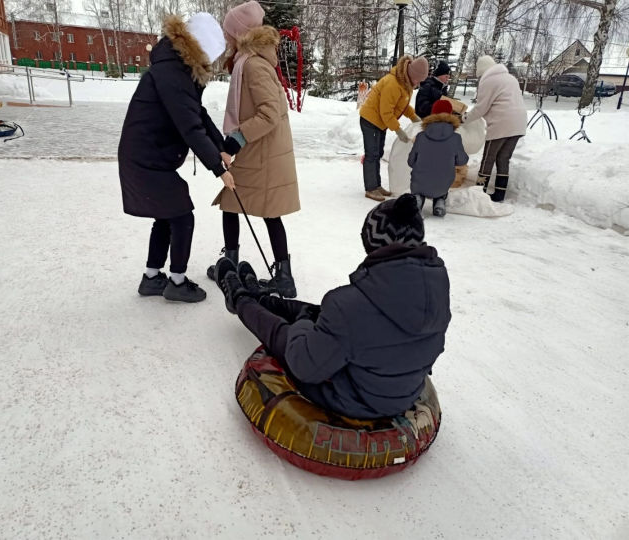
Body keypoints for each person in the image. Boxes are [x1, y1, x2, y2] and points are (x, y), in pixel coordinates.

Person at [214, 193, 451, 420]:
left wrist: (304, 326)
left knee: (296, 332)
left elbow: (304, 365)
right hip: (401, 389)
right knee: (328, 316)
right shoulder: (436, 287)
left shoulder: (349, 306)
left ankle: (240, 300)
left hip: (356, 399)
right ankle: (264, 300)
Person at [118, 13, 234, 303]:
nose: (210, 63)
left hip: (146, 155)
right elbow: (189, 126)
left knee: (167, 217)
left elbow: (198, 113)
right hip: (147, 159)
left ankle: (151, 277)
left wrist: (220, 147)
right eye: (210, 56)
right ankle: (177, 282)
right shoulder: (173, 72)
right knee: (182, 217)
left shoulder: (175, 68)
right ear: (200, 48)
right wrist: (218, 169)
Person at [207, 1, 301, 299]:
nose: (226, 38)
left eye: (229, 32)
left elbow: (270, 112)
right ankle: (240, 264)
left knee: (257, 206)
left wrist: (235, 140)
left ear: (240, 34)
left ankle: (280, 276)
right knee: (235, 202)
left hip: (262, 150)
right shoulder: (251, 61)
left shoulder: (254, 64)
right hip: (260, 149)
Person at [359, 55, 429, 202]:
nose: (418, 83)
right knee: (372, 154)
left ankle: (376, 185)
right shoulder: (393, 83)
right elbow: (386, 112)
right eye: (418, 80)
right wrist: (398, 130)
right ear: (412, 74)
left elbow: (401, 105)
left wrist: (414, 117)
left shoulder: (405, 83)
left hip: (380, 122)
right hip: (371, 120)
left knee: (378, 153)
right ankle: (371, 188)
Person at [463, 55, 527, 202]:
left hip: (502, 123)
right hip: (519, 123)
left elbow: (481, 108)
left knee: (488, 158)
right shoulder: (510, 78)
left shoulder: (488, 80)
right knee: (503, 158)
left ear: (482, 70)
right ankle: (499, 194)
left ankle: (480, 192)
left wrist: (464, 119)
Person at [408, 99, 469, 217]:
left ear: (432, 114)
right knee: (443, 180)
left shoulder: (421, 136)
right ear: (450, 115)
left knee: (418, 180)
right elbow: (462, 160)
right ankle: (439, 201)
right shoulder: (456, 138)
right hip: (443, 184)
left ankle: (417, 199)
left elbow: (411, 161)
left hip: (419, 183)